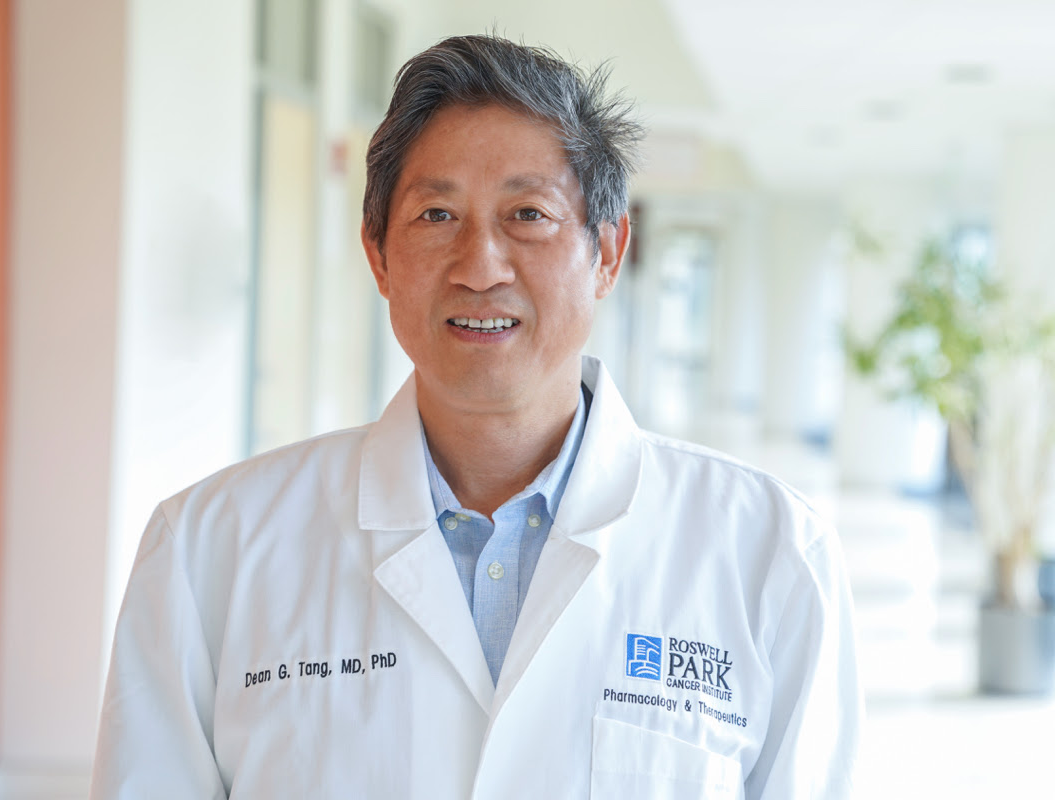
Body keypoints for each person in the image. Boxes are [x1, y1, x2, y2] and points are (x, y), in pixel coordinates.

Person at [90, 34, 860, 798]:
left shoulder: (769, 555)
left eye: (528, 213)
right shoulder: (209, 550)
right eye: (436, 215)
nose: (481, 266)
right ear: (378, 255)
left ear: (607, 252)